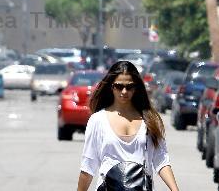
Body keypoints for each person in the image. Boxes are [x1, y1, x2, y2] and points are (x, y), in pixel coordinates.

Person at [77, 61, 179, 191]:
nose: (124, 91)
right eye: (119, 86)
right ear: (111, 86)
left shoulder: (150, 120)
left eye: (129, 87)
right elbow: (88, 165)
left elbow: (161, 160)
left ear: (136, 87)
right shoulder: (98, 120)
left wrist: (175, 189)